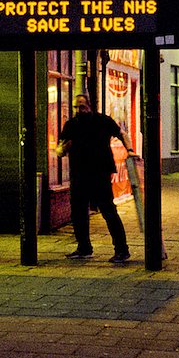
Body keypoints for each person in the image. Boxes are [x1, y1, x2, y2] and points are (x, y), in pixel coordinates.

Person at [56, 94, 132, 263]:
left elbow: (122, 134)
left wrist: (131, 150)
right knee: (78, 213)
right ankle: (84, 248)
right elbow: (59, 151)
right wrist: (63, 148)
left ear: (89, 106)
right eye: (76, 107)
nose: (78, 110)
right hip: (79, 174)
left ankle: (122, 250)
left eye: (82, 106)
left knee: (108, 211)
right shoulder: (71, 125)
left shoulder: (102, 121)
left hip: (100, 173)